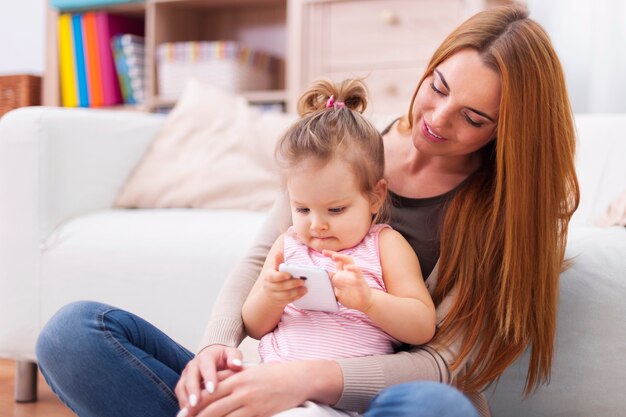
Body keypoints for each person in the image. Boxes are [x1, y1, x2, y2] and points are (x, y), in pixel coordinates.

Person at [35, 4, 579, 417]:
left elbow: (441, 364)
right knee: (72, 335)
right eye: (436, 86)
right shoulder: (349, 147)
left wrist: (307, 381)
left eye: (473, 118)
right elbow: (258, 261)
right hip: (272, 386)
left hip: (369, 401)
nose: (436, 117)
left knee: (438, 408)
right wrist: (215, 350)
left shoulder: (506, 218)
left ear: (508, 133)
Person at [240, 79, 436, 415]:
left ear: (375, 197)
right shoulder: (288, 243)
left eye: (335, 210)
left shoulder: (384, 245)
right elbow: (254, 325)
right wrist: (271, 297)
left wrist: (370, 301)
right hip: (270, 384)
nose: (317, 224)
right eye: (302, 209)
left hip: (336, 402)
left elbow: (422, 326)